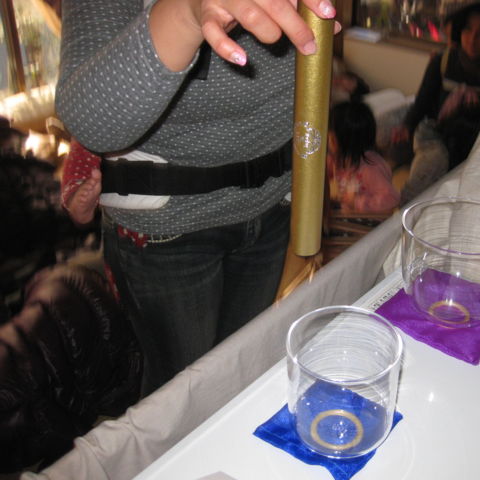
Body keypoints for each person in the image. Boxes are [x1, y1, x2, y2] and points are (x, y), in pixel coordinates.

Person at [56, 0, 339, 395]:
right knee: (183, 393)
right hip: (167, 229)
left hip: (272, 204)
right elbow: (91, 121)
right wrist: (188, 12)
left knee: (241, 371)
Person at [394, 2, 480, 204]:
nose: (472, 39)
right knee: (432, 163)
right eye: (467, 29)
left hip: (478, 141)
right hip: (436, 132)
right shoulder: (442, 61)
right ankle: (405, 210)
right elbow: (423, 100)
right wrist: (407, 125)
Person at [327, 100, 399, 214]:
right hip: (349, 214)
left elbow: (392, 199)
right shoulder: (338, 159)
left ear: (343, 140)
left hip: (368, 220)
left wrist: (357, 202)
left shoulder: (371, 168)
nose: (327, 139)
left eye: (331, 137)